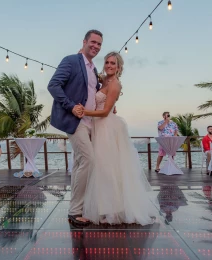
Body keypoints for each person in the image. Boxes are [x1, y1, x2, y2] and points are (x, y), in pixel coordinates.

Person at [78, 52, 157, 225]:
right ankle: (104, 207)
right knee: (101, 169)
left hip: (106, 127)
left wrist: (84, 112)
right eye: (107, 62)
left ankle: (112, 212)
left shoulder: (115, 84)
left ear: (119, 67)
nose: (109, 65)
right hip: (98, 127)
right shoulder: (104, 80)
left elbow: (106, 111)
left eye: (113, 63)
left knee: (108, 169)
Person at [48, 29, 103, 225]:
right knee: (89, 160)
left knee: (81, 163)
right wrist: (71, 107)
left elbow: (92, 94)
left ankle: (76, 207)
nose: (96, 46)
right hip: (76, 122)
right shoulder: (71, 60)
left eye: (99, 44)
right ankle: (74, 211)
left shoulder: (94, 70)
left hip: (91, 123)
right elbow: (53, 85)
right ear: (85, 41)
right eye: (93, 42)